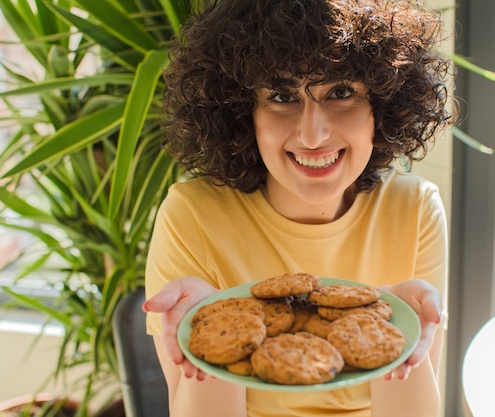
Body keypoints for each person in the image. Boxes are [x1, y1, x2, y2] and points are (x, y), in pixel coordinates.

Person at [143, 0, 456, 415]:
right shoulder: (192, 216)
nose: (313, 135)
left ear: (380, 108)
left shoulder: (414, 210)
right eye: (281, 96)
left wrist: (397, 326)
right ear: (242, 112)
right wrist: (211, 318)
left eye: (341, 92)